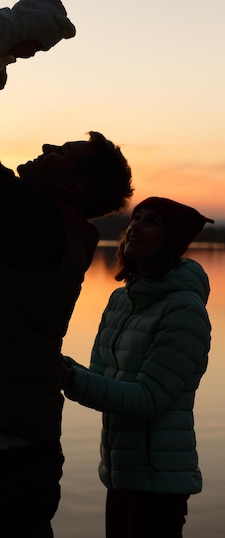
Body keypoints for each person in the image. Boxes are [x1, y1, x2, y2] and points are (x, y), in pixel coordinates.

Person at [0, 1, 133, 538]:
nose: (45, 146)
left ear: (73, 186)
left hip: (9, 460)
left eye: (61, 150)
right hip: (6, 451)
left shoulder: (37, 225)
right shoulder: (40, 224)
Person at [61, 196, 214, 538]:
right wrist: (58, 365)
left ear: (171, 240)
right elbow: (100, 377)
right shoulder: (120, 300)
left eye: (151, 222)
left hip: (159, 484)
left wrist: (67, 377)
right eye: (136, 218)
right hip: (119, 476)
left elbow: (148, 399)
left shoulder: (184, 311)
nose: (135, 227)